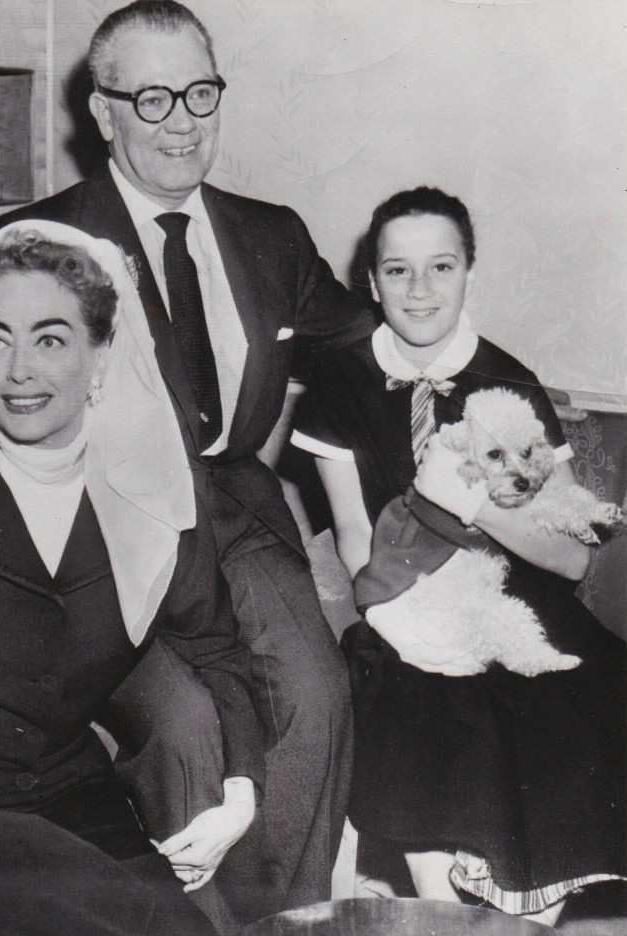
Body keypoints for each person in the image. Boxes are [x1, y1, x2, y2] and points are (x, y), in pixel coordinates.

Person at [0, 0, 376, 916]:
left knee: (316, 694)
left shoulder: (272, 235)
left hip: (238, 512)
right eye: (150, 99)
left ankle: (291, 920)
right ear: (102, 112)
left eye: (200, 91)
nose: (182, 120)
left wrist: (480, 396)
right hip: (98, 532)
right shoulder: (34, 245)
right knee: (190, 727)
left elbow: (376, 346)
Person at [0, 221, 268, 936]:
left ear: (100, 358)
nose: (17, 370)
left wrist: (241, 795)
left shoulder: (149, 505)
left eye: (50, 339)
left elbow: (219, 651)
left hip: (74, 798)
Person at [291, 186, 626, 925]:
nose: (419, 290)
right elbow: (351, 529)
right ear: (371, 282)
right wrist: (384, 610)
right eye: (398, 270)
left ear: (469, 271)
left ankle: (523, 908)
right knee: (418, 689)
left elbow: (571, 561)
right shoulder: (340, 382)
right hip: (403, 593)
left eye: (440, 267)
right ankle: (447, 912)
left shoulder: (507, 379)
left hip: (517, 593)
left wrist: (468, 504)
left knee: (580, 686)